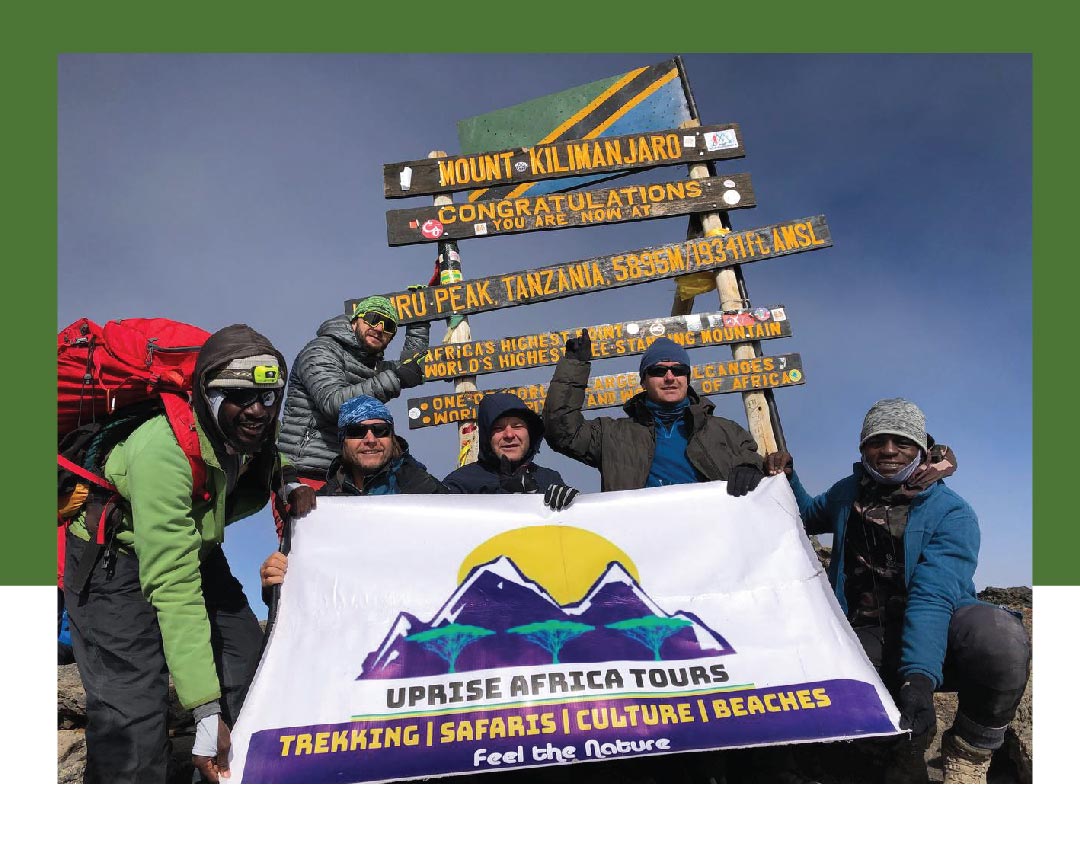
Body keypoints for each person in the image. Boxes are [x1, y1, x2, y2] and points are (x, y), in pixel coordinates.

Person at [63, 325, 293, 783]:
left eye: (268, 398)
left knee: (250, 671)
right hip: (112, 557)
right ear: (207, 397)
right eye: (240, 396)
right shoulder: (162, 450)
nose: (257, 411)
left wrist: (292, 486)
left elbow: (269, 466)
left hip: (198, 547)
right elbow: (174, 585)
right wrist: (205, 711)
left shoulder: (252, 433)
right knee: (131, 713)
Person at [765, 398, 1031, 783]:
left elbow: (933, 596)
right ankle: (895, 748)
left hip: (938, 627)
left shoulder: (951, 512)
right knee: (836, 685)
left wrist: (918, 679)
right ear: (863, 448)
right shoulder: (847, 493)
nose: (888, 450)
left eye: (902, 442)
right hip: (866, 627)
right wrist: (785, 476)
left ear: (921, 448)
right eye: (877, 441)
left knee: (1001, 640)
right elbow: (806, 514)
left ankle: (969, 754)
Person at [543, 332, 765, 495]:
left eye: (678, 370)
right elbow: (563, 432)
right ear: (643, 381)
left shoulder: (726, 431)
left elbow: (761, 474)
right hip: (642, 546)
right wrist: (573, 366)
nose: (670, 377)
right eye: (659, 371)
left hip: (710, 542)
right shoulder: (611, 434)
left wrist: (753, 469)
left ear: (687, 378)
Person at [262, 395, 445, 588]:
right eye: (357, 432)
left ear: (392, 438)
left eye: (380, 430)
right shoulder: (318, 508)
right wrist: (272, 582)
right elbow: (305, 588)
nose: (370, 439)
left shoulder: (429, 493)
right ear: (343, 441)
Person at [278, 292, 430, 493]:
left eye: (388, 326)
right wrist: (396, 378)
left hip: (343, 475)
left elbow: (411, 368)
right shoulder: (321, 349)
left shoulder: (371, 366)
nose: (378, 328)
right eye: (373, 319)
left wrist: (419, 320)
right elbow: (333, 403)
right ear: (355, 321)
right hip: (302, 472)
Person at [442, 392, 579, 511]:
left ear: (530, 433)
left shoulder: (550, 479)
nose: (509, 435)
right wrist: (503, 498)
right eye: (498, 428)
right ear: (486, 437)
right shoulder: (462, 483)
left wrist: (576, 506)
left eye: (517, 426)